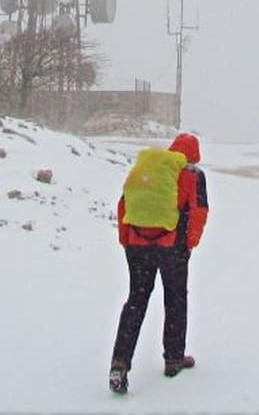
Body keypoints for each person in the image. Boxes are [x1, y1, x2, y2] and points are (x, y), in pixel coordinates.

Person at [109, 132, 209, 395]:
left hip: (136, 245)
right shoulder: (192, 175)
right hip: (172, 248)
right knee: (175, 298)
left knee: (136, 300)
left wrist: (127, 240)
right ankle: (174, 358)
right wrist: (189, 245)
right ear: (194, 155)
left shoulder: (149, 169)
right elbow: (199, 212)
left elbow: (123, 205)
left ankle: (119, 363)